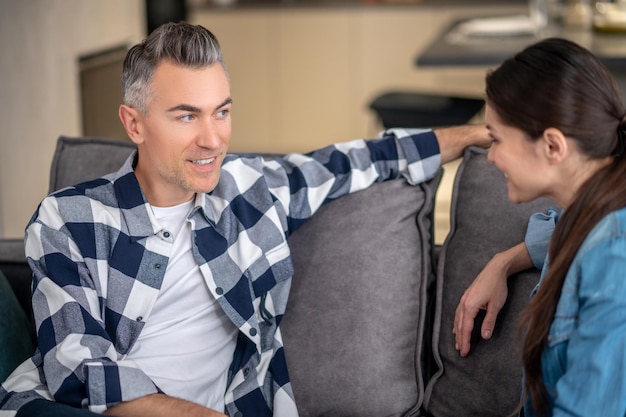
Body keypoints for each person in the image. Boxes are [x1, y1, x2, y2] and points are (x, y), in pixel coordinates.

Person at [0, 22, 490, 417]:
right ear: (134, 124)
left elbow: (356, 160)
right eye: (187, 116)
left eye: (222, 112)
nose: (213, 140)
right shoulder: (68, 220)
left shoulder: (251, 191)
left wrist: (472, 135)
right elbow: (75, 367)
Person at [457, 37, 626, 416]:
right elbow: (562, 231)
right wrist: (503, 261)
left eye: (497, 139)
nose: (490, 157)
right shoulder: (590, 214)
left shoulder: (614, 255)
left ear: (552, 145)